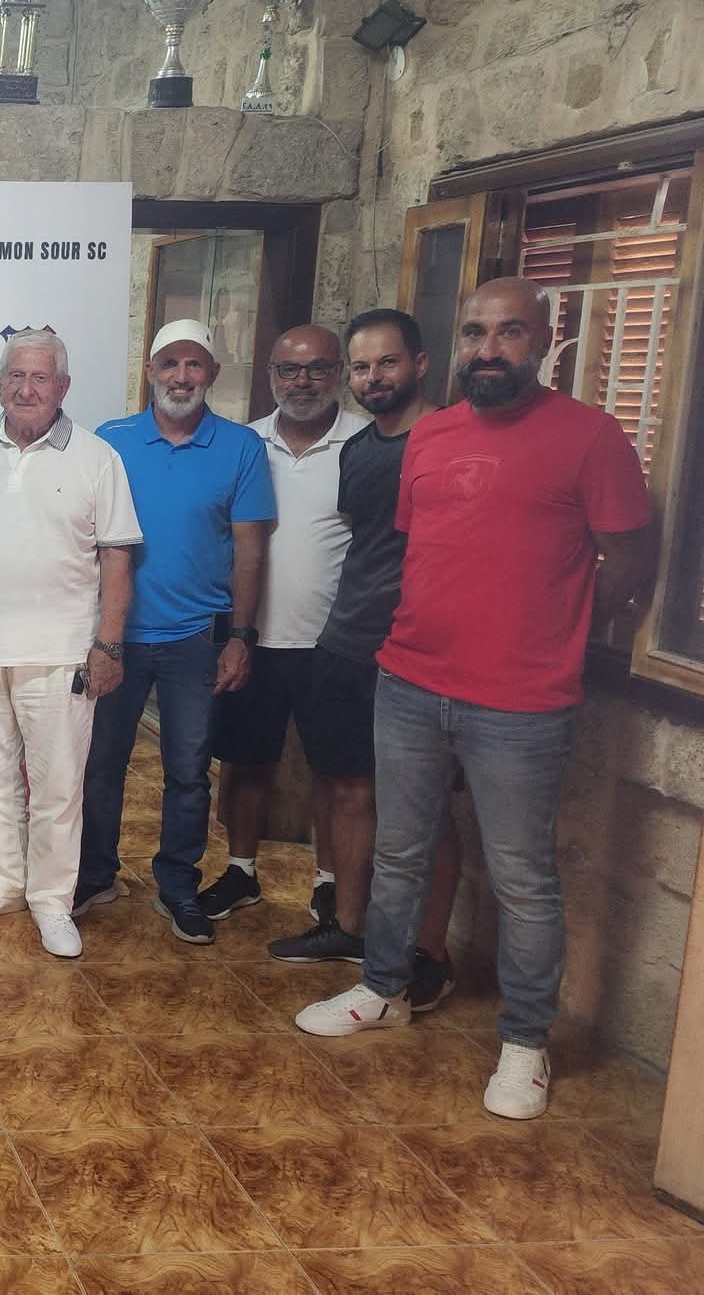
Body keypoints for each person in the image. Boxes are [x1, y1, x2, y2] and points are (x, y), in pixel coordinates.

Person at [297, 278, 654, 1121]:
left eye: (509, 332)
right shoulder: (432, 435)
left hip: (522, 701)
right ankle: (383, 987)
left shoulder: (591, 437)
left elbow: (630, 563)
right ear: (456, 345)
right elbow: (426, 548)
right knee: (399, 851)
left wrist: (556, 629)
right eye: (475, 333)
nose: (488, 349)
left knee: (523, 877)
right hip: (409, 679)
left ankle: (525, 1044)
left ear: (544, 339)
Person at [271, 310, 462, 999]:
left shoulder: (453, 440)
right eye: (361, 366)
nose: (373, 377)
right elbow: (368, 542)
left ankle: (430, 951)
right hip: (348, 644)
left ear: (420, 363)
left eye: (387, 362)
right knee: (346, 790)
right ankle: (347, 927)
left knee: (426, 807)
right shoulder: (358, 450)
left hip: (421, 655)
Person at [78, 318, 275, 945]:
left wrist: (241, 635)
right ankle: (95, 873)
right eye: (170, 364)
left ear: (211, 373)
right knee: (100, 764)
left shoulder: (241, 447)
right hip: (117, 636)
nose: (181, 377)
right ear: (149, 372)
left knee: (188, 771)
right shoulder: (110, 441)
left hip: (196, 638)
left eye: (194, 365)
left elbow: (250, 549)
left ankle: (178, 885)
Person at [0, 331, 142, 958]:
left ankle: (53, 900)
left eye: (41, 377)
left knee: (57, 787)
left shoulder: (97, 458)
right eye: (16, 376)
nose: (26, 389)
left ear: (63, 387)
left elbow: (117, 556)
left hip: (64, 655)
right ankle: (1, 881)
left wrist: (108, 645)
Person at [197, 326, 367, 925]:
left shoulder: (364, 443)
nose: (302, 382)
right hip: (252, 638)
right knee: (244, 763)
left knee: (333, 771)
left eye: (317, 369)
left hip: (334, 643)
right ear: (270, 375)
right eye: (288, 370)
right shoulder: (246, 444)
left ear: (338, 374)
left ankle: (329, 882)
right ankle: (240, 871)